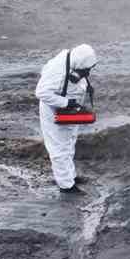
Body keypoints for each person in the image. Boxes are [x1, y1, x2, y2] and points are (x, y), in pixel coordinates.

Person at [34, 43, 98, 194]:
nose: (86, 73)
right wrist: (66, 102)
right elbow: (41, 92)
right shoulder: (57, 71)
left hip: (69, 107)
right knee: (59, 148)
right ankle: (66, 186)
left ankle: (70, 176)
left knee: (69, 142)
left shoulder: (73, 60)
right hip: (54, 110)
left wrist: (84, 88)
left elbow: (72, 79)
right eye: (85, 71)